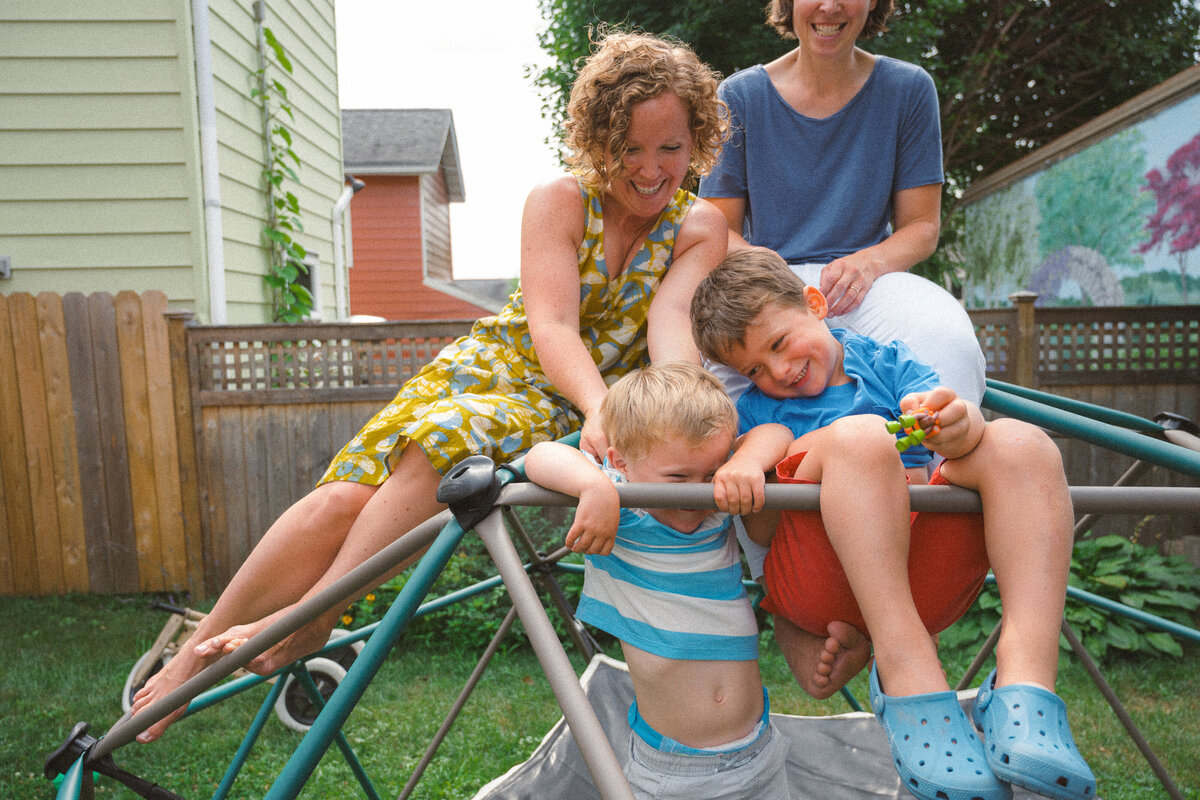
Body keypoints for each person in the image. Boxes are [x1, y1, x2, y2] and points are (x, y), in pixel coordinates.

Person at [130, 29, 730, 744]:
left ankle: (315, 616)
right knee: (340, 499)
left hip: (557, 404)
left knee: (442, 440)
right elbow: (551, 325)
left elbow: (671, 329)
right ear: (599, 139)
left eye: (671, 147)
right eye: (630, 148)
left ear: (697, 139)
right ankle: (192, 655)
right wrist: (600, 403)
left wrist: (659, 412)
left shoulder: (698, 226)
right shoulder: (561, 200)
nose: (652, 167)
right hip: (493, 367)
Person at [689, 248, 1095, 800]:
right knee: (862, 439)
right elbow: (761, 534)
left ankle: (1026, 682)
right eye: (754, 370)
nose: (777, 372)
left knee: (1022, 443)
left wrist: (955, 422)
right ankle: (908, 675)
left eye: (779, 344)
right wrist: (750, 466)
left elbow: (958, 436)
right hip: (825, 576)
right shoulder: (761, 414)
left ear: (815, 305)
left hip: (923, 570)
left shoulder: (888, 363)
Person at [697, 0, 986, 406]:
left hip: (871, 282)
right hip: (771, 285)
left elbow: (922, 227)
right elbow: (718, 230)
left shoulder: (908, 89)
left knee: (948, 341)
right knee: (723, 390)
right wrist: (775, 277)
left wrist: (868, 263)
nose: (829, 6)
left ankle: (945, 447)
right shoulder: (738, 95)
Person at [524, 362, 792, 799]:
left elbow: (775, 433)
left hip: (759, 749)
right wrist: (594, 487)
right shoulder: (624, 508)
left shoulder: (715, 504)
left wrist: (741, 464)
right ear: (621, 464)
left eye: (710, 474)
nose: (697, 492)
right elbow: (540, 456)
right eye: (678, 478)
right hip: (676, 771)